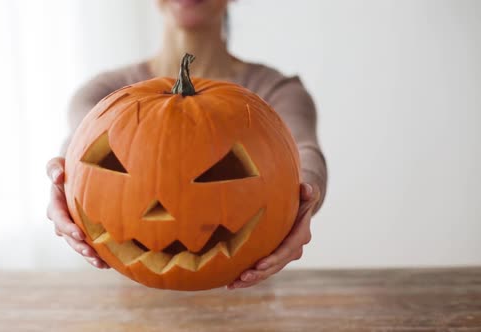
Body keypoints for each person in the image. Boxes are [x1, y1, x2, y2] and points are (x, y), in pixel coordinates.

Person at [46, 0, 327, 290]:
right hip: (126, 298)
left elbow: (304, 153)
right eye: (118, 165)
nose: (161, 211)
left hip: (250, 295)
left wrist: (307, 196)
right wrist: (61, 181)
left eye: (219, 172)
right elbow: (80, 151)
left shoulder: (277, 91)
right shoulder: (104, 93)